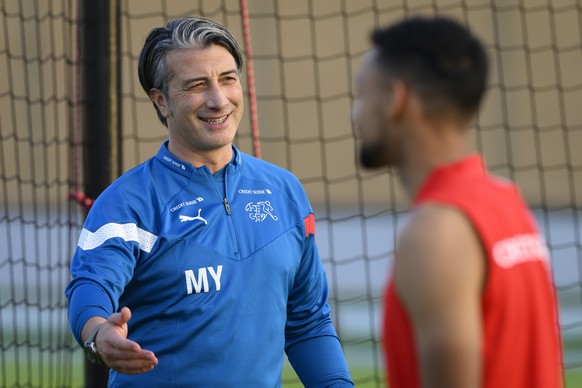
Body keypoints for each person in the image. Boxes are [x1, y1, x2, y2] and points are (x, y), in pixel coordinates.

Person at [65, 16, 353, 387]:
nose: (219, 100)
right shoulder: (127, 202)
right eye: (197, 85)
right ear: (161, 101)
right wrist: (98, 333)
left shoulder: (285, 191)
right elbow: (90, 284)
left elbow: (308, 322)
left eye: (228, 79)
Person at [352, 16, 563, 388]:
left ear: (395, 99)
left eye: (361, 94)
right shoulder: (505, 201)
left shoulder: (435, 233)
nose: (356, 113)